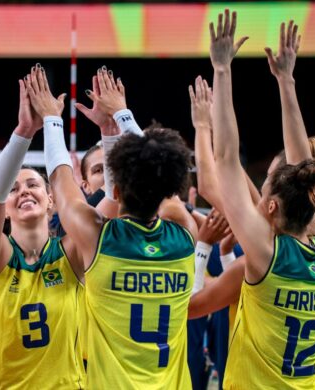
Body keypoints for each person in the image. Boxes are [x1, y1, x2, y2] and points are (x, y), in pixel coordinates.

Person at [27, 64, 197, 388]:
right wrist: (120, 117)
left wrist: (51, 118)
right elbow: (155, 169)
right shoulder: (185, 235)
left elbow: (62, 183)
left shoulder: (99, 239)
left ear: (114, 191)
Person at [209, 12, 315, 389]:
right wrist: (286, 81)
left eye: (265, 182)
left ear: (271, 206)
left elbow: (224, 159)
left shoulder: (266, 255)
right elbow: (301, 165)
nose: (261, 186)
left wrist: (222, 70)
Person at [0, 66, 85, 389]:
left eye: (33, 184)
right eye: (14, 188)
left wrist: (57, 123)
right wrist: (24, 131)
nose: (22, 191)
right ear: (6, 211)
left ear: (51, 200)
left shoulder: (73, 254)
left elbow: (117, 200)